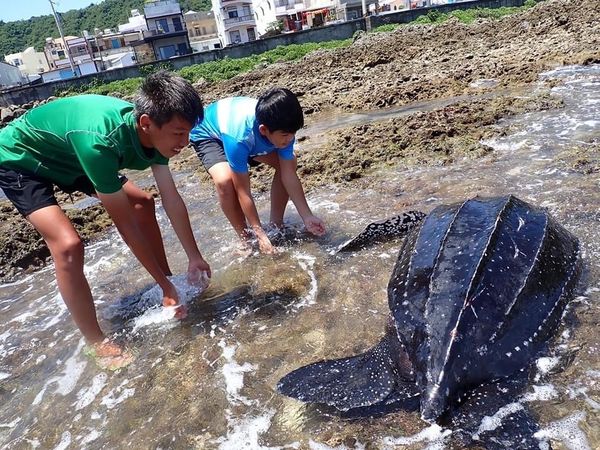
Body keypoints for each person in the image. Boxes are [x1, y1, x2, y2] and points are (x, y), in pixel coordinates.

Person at [0, 71, 210, 366]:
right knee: (68, 246)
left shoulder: (157, 137)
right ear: (146, 123)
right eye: (178, 133)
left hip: (70, 155)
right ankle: (95, 341)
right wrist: (165, 286)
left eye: (188, 132)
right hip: (21, 157)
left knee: (142, 201)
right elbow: (124, 225)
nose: (185, 142)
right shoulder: (100, 143)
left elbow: (171, 199)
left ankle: (168, 286)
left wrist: (193, 256)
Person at [189, 88, 325, 254]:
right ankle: (245, 238)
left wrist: (307, 216)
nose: (290, 139)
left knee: (288, 164)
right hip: (210, 135)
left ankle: (276, 225)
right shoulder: (240, 138)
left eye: (293, 134)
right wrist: (258, 233)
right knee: (224, 181)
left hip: (249, 140)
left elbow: (289, 175)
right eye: (285, 135)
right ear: (264, 130)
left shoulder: (284, 129)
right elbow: (243, 191)